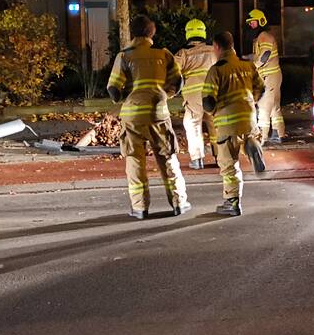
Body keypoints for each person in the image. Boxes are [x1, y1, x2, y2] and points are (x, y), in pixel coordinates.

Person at [107, 14, 190, 220]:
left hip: (133, 117)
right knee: (168, 158)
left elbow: (113, 91)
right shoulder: (164, 54)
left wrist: (128, 97)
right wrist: (165, 95)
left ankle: (140, 208)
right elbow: (178, 82)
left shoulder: (124, 56)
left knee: (135, 162)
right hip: (158, 114)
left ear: (132, 33)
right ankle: (179, 203)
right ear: (152, 33)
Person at [202, 31, 266, 217]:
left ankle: (232, 203)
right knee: (246, 137)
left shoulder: (217, 70)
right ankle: (252, 145)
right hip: (248, 119)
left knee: (229, 165)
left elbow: (208, 101)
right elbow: (260, 89)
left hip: (227, 124)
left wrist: (213, 112)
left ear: (217, 47)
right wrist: (249, 102)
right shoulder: (247, 65)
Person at [173, 19, 216, 170]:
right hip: (213, 94)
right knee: (215, 124)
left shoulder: (183, 53)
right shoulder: (213, 50)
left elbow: (174, 75)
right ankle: (220, 157)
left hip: (193, 97)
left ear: (188, 34)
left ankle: (197, 159)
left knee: (193, 125)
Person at [245, 9, 285, 144]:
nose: (251, 25)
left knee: (263, 105)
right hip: (273, 75)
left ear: (261, 21)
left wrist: (254, 66)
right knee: (274, 106)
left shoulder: (264, 36)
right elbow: (259, 54)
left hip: (269, 76)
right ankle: (278, 133)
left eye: (253, 22)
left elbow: (265, 54)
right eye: (250, 23)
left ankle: (263, 137)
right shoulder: (260, 38)